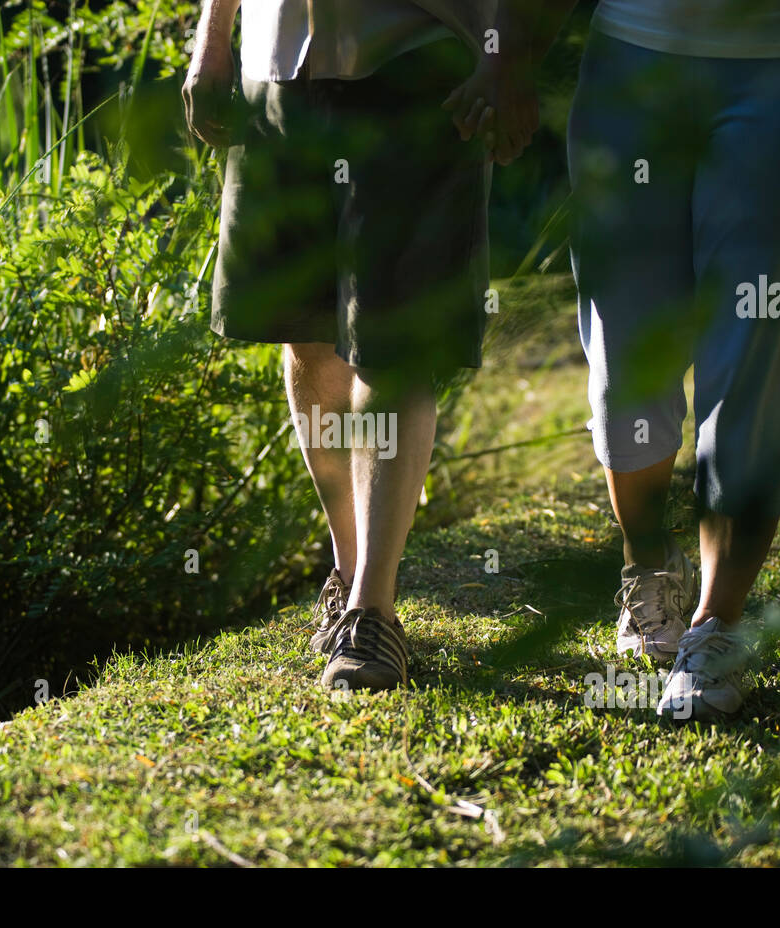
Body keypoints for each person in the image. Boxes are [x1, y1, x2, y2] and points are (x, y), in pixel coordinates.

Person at [450, 0, 780, 718]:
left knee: (754, 350)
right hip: (630, 69)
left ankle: (719, 624)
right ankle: (649, 565)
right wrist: (505, 58)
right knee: (624, 350)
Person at [183, 1, 534, 690]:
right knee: (306, 333)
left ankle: (374, 611)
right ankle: (349, 579)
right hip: (277, 64)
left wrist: (506, 55)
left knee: (392, 340)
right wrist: (212, 38)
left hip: (414, 56)